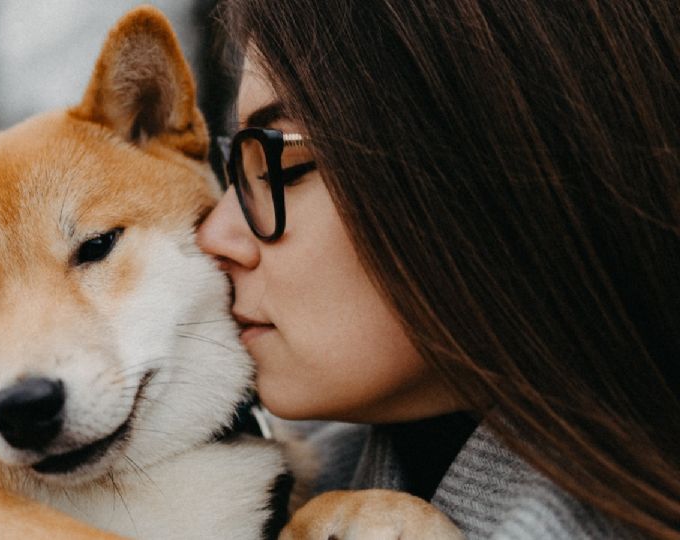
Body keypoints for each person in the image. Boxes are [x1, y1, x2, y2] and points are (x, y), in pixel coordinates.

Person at [196, 0, 680, 538]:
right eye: (234, 168)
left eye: (286, 169)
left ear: (494, 169)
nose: (214, 236)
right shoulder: (301, 483)